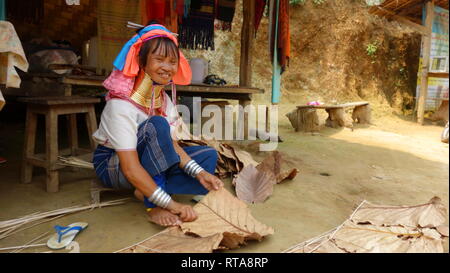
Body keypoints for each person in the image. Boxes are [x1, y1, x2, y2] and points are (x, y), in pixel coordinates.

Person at [91, 24, 224, 227]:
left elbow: (173, 146)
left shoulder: (163, 100)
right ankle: (153, 202)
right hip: (114, 165)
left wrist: (200, 173)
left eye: (172, 62)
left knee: (208, 156)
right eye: (159, 59)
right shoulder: (120, 106)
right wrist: (170, 204)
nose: (168, 67)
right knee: (156, 125)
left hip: (142, 163)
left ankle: (145, 188)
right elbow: (130, 167)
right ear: (141, 61)